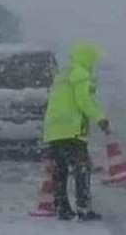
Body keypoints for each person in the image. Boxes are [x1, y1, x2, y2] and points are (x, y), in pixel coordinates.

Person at [43, 41, 111, 221]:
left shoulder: (62, 75)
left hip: (54, 131)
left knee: (61, 171)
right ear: (88, 59)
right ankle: (84, 208)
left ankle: (62, 208)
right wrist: (100, 118)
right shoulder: (81, 74)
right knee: (82, 169)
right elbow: (84, 101)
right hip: (71, 131)